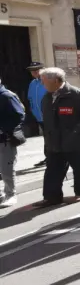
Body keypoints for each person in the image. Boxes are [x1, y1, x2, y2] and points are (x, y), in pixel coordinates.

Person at [38, 67, 80, 207]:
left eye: (44, 81)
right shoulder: (47, 97)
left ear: (56, 80)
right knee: (53, 170)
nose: (42, 84)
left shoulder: (75, 94)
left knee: (79, 168)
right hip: (54, 141)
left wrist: (77, 131)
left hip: (74, 140)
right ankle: (51, 197)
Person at [0, 76, 26, 208]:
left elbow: (19, 115)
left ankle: (11, 194)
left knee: (6, 169)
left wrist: (4, 128)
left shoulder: (6, 96)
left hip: (5, 138)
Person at [27, 62, 46, 166]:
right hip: (39, 117)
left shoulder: (48, 81)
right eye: (32, 70)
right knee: (47, 138)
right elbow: (30, 98)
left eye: (37, 69)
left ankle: (54, 158)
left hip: (50, 116)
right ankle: (49, 157)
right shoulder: (32, 83)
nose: (34, 72)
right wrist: (33, 110)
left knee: (52, 138)